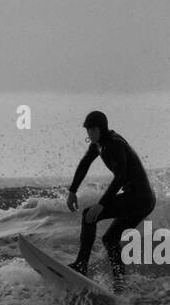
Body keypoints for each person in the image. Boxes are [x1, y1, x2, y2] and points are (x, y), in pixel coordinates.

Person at [65, 111, 155, 291]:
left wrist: (102, 204)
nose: (89, 133)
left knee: (88, 215)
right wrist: (72, 190)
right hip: (142, 200)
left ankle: (81, 265)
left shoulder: (114, 145)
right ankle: (120, 284)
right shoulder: (98, 145)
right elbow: (84, 164)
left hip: (139, 198)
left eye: (93, 129)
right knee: (110, 238)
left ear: (101, 128)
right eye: (88, 129)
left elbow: (120, 177)